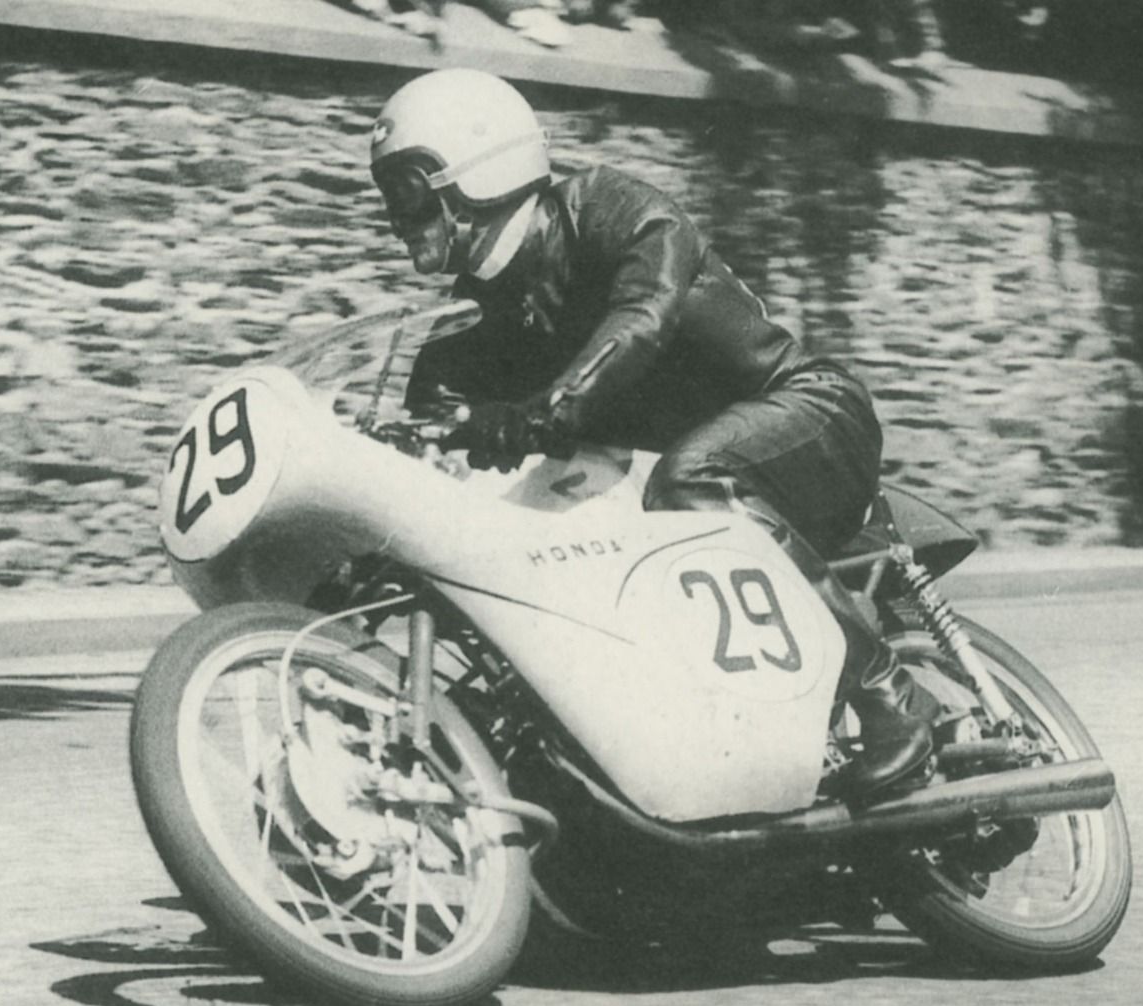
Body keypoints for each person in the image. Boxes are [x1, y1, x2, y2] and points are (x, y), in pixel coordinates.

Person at [367, 68, 939, 801]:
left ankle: (890, 696)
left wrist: (542, 413)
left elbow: (641, 319)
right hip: (678, 493)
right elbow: (424, 430)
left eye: (410, 191)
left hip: (805, 411)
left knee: (693, 478)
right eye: (388, 199)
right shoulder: (474, 322)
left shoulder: (605, 209)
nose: (397, 218)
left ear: (477, 168)